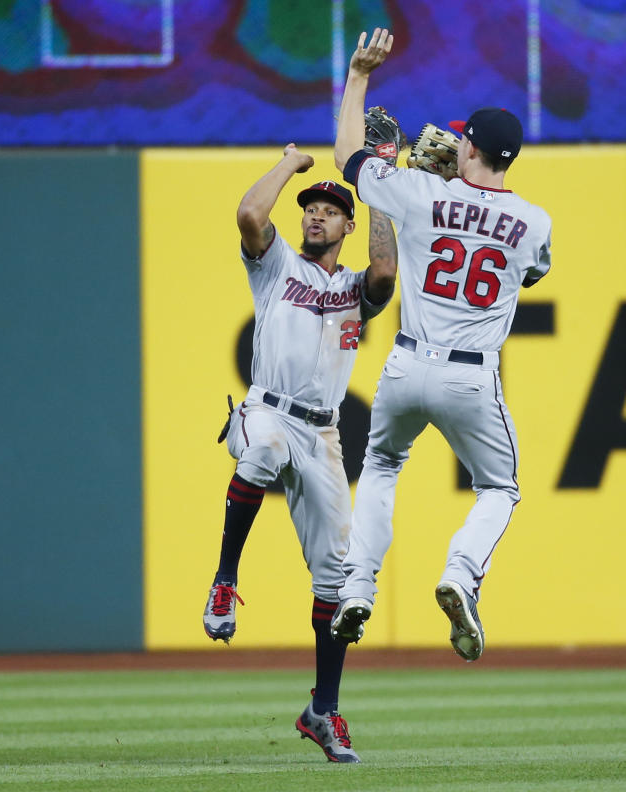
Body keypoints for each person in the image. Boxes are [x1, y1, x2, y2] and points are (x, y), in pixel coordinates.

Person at [330, 29, 552, 662]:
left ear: (474, 146)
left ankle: (358, 587)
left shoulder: (422, 193)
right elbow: (531, 272)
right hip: (471, 379)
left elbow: (348, 153)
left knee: (379, 466)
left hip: (405, 364)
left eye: (461, 138)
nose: (450, 142)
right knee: (500, 489)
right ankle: (460, 575)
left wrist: (359, 77)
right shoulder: (536, 222)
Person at [202, 144, 397, 763]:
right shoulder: (276, 264)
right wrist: (290, 165)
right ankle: (225, 580)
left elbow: (386, 275)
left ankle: (323, 711)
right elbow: (250, 217)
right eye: (311, 208)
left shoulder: (350, 288)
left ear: (347, 225)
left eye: (330, 210)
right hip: (268, 408)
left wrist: (381, 195)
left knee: (338, 583)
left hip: (324, 435)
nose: (316, 215)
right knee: (259, 449)